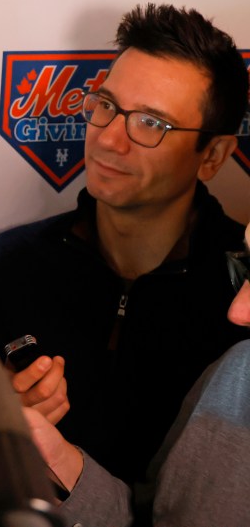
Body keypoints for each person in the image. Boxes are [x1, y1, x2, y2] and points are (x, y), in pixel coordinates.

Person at [0, 3, 249, 485]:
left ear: (213, 155)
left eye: (151, 123)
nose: (109, 139)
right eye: (107, 105)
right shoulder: (7, 262)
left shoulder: (244, 294)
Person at [24, 223, 250, 527]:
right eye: (247, 267)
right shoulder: (238, 372)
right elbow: (155, 516)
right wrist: (60, 463)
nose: (238, 312)